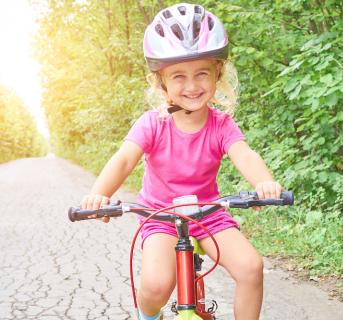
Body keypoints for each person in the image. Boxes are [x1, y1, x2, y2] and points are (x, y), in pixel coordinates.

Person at [81, 3, 282, 320]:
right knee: (156, 286)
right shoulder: (152, 124)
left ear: (218, 73)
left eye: (202, 73)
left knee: (251, 267)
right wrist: (99, 194)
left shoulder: (221, 124)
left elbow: (244, 154)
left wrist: (264, 183)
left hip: (209, 214)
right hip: (160, 215)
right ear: (161, 82)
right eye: (178, 76)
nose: (191, 86)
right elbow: (123, 160)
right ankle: (149, 316)